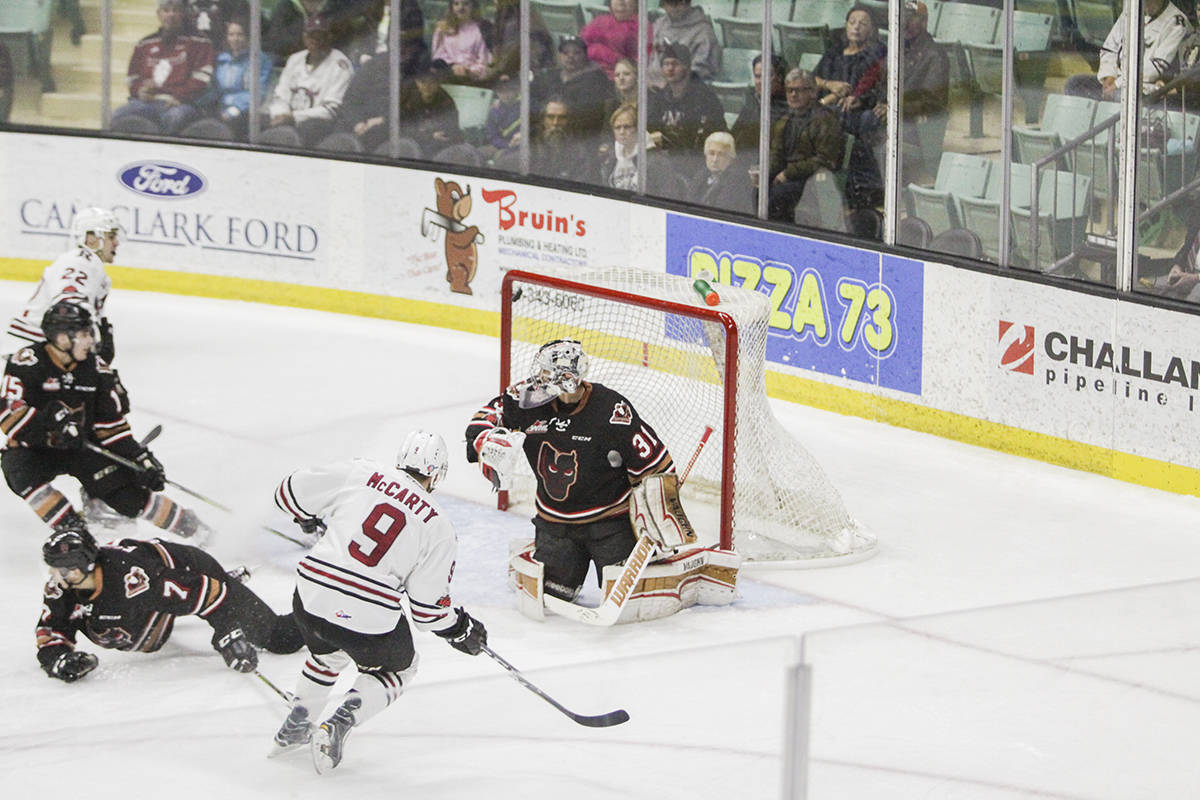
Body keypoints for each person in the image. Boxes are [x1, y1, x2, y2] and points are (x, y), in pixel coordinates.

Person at [269, 430, 488, 772]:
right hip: (365, 616)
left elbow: (287, 493)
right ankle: (338, 723)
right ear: (436, 473)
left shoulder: (361, 472)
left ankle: (297, 724)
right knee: (401, 667)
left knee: (327, 653)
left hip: (310, 596)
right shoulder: (439, 525)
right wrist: (460, 629)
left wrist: (308, 515)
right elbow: (428, 611)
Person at [465, 339, 676, 603]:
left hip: (610, 523)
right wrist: (484, 438)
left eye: (545, 373)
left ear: (564, 379)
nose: (538, 378)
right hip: (555, 523)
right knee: (553, 594)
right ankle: (537, 552)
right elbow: (484, 416)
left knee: (631, 599)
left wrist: (659, 519)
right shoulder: (526, 398)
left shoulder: (611, 410)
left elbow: (658, 467)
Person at [0, 301, 213, 542]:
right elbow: (9, 416)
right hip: (37, 449)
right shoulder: (28, 361)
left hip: (84, 447)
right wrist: (52, 429)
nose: (91, 340)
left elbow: (111, 427)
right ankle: (74, 530)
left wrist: (138, 457)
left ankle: (197, 530)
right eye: (84, 334)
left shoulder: (96, 368)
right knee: (19, 470)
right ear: (61, 338)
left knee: (129, 498)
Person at [36, 525, 304, 683]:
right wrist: (58, 659)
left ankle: (329, 610)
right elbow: (51, 629)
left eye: (64, 570)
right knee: (115, 617)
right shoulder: (64, 586)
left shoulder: (134, 580)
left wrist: (227, 632)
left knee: (281, 638)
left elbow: (207, 593)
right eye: (53, 569)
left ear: (87, 565)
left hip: (190, 571)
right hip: (151, 605)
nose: (56, 578)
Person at [8, 207, 120, 361]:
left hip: (45, 344)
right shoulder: (80, 262)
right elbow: (68, 308)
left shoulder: (87, 264)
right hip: (38, 347)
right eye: (111, 236)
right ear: (91, 238)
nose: (116, 243)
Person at [111, 0, 215, 135]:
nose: (171, 15)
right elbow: (133, 77)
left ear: (183, 13)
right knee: (117, 115)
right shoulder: (144, 44)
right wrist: (139, 91)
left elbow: (202, 78)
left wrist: (180, 96)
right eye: (166, 10)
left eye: (175, 10)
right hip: (147, 102)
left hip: (181, 104)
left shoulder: (200, 42)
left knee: (174, 118)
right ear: (159, 14)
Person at [1064, 0, 1191, 100]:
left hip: (1146, 87)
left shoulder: (1177, 22)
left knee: (1122, 96)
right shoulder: (1132, 9)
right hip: (1117, 80)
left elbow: (1153, 69)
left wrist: (1117, 84)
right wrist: (1109, 77)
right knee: (1074, 84)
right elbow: (1109, 48)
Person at [765, 68, 844, 223]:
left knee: (777, 195)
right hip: (788, 175)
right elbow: (776, 153)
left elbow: (825, 160)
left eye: (799, 90)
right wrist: (767, 172)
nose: (793, 95)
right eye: (790, 90)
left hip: (811, 180)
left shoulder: (825, 119)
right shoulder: (785, 119)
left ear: (813, 92)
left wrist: (787, 174)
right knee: (756, 188)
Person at [266, 14, 354, 147]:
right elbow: (280, 95)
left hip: (318, 125)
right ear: (304, 37)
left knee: (308, 129)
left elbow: (331, 110)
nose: (316, 40)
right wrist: (280, 114)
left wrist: (294, 117)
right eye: (311, 35)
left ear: (329, 37)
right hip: (287, 119)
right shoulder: (295, 59)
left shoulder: (340, 65)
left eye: (320, 35)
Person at [646, 41, 727, 175]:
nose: (670, 69)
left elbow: (713, 135)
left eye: (675, 64)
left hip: (697, 164)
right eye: (666, 64)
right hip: (665, 163)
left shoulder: (705, 97)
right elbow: (649, 127)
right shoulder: (659, 97)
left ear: (687, 67)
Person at [531, 35, 613, 143]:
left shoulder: (596, 80)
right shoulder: (548, 76)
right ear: (559, 56)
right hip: (546, 135)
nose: (570, 56)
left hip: (580, 140)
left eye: (576, 53)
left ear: (585, 56)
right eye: (565, 53)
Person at [205, 17, 272, 139]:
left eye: (240, 35)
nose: (235, 39)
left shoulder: (259, 59)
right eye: (231, 35)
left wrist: (232, 111)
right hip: (219, 108)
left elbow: (257, 94)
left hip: (246, 112)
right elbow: (214, 89)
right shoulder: (221, 59)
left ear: (248, 36)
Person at [813, 6, 886, 114]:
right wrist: (828, 84)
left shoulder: (876, 52)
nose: (856, 27)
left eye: (863, 24)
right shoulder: (836, 50)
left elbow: (856, 89)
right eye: (852, 22)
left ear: (872, 30)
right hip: (823, 103)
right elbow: (812, 78)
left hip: (849, 108)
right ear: (846, 26)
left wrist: (826, 100)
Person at [594, 102, 675, 195]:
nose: (622, 132)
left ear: (638, 128)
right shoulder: (610, 158)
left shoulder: (657, 161)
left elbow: (668, 193)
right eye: (617, 127)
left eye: (627, 127)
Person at [398, 58, 464, 157]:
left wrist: (445, 135)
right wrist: (429, 136)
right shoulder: (407, 99)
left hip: (439, 147)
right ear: (417, 82)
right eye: (423, 82)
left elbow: (454, 129)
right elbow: (400, 128)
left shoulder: (446, 101)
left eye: (432, 82)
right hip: (412, 145)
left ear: (438, 83)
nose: (427, 86)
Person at [647, 0, 721, 87]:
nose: (676, 7)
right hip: (649, 86)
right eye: (670, 3)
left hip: (682, 91)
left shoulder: (703, 32)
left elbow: (701, 72)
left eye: (681, 2)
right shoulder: (659, 24)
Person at [730, 53, 789, 155]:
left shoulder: (791, 104)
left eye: (767, 76)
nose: (762, 81)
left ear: (780, 77)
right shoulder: (753, 99)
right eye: (758, 76)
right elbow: (735, 134)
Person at [688, 131, 754, 214]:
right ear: (705, 155)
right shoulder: (700, 176)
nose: (715, 160)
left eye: (721, 155)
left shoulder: (737, 181)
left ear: (730, 159)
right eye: (711, 153)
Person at [432, 0, 492, 84]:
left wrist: (468, 71)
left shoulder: (482, 29)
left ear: (473, 6)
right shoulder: (442, 29)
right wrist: (452, 67)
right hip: (446, 78)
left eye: (466, 4)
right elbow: (438, 57)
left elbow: (485, 61)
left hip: (473, 81)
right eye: (456, 4)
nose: (461, 8)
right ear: (451, 6)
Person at [531, 98, 589, 181]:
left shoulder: (579, 150)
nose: (555, 123)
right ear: (543, 120)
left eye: (562, 118)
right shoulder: (530, 145)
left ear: (569, 120)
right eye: (550, 117)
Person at [580, 0, 639, 79]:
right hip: (587, 71)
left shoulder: (642, 27)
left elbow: (634, 65)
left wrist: (600, 51)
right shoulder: (601, 21)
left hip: (617, 78)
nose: (620, 2)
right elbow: (580, 44)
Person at [481, 73, 521, 160]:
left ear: (517, 90)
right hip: (502, 145)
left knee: (501, 158)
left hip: (522, 146)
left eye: (509, 90)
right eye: (501, 91)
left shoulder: (526, 106)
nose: (505, 94)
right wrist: (507, 145)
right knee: (477, 154)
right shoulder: (494, 111)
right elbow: (492, 136)